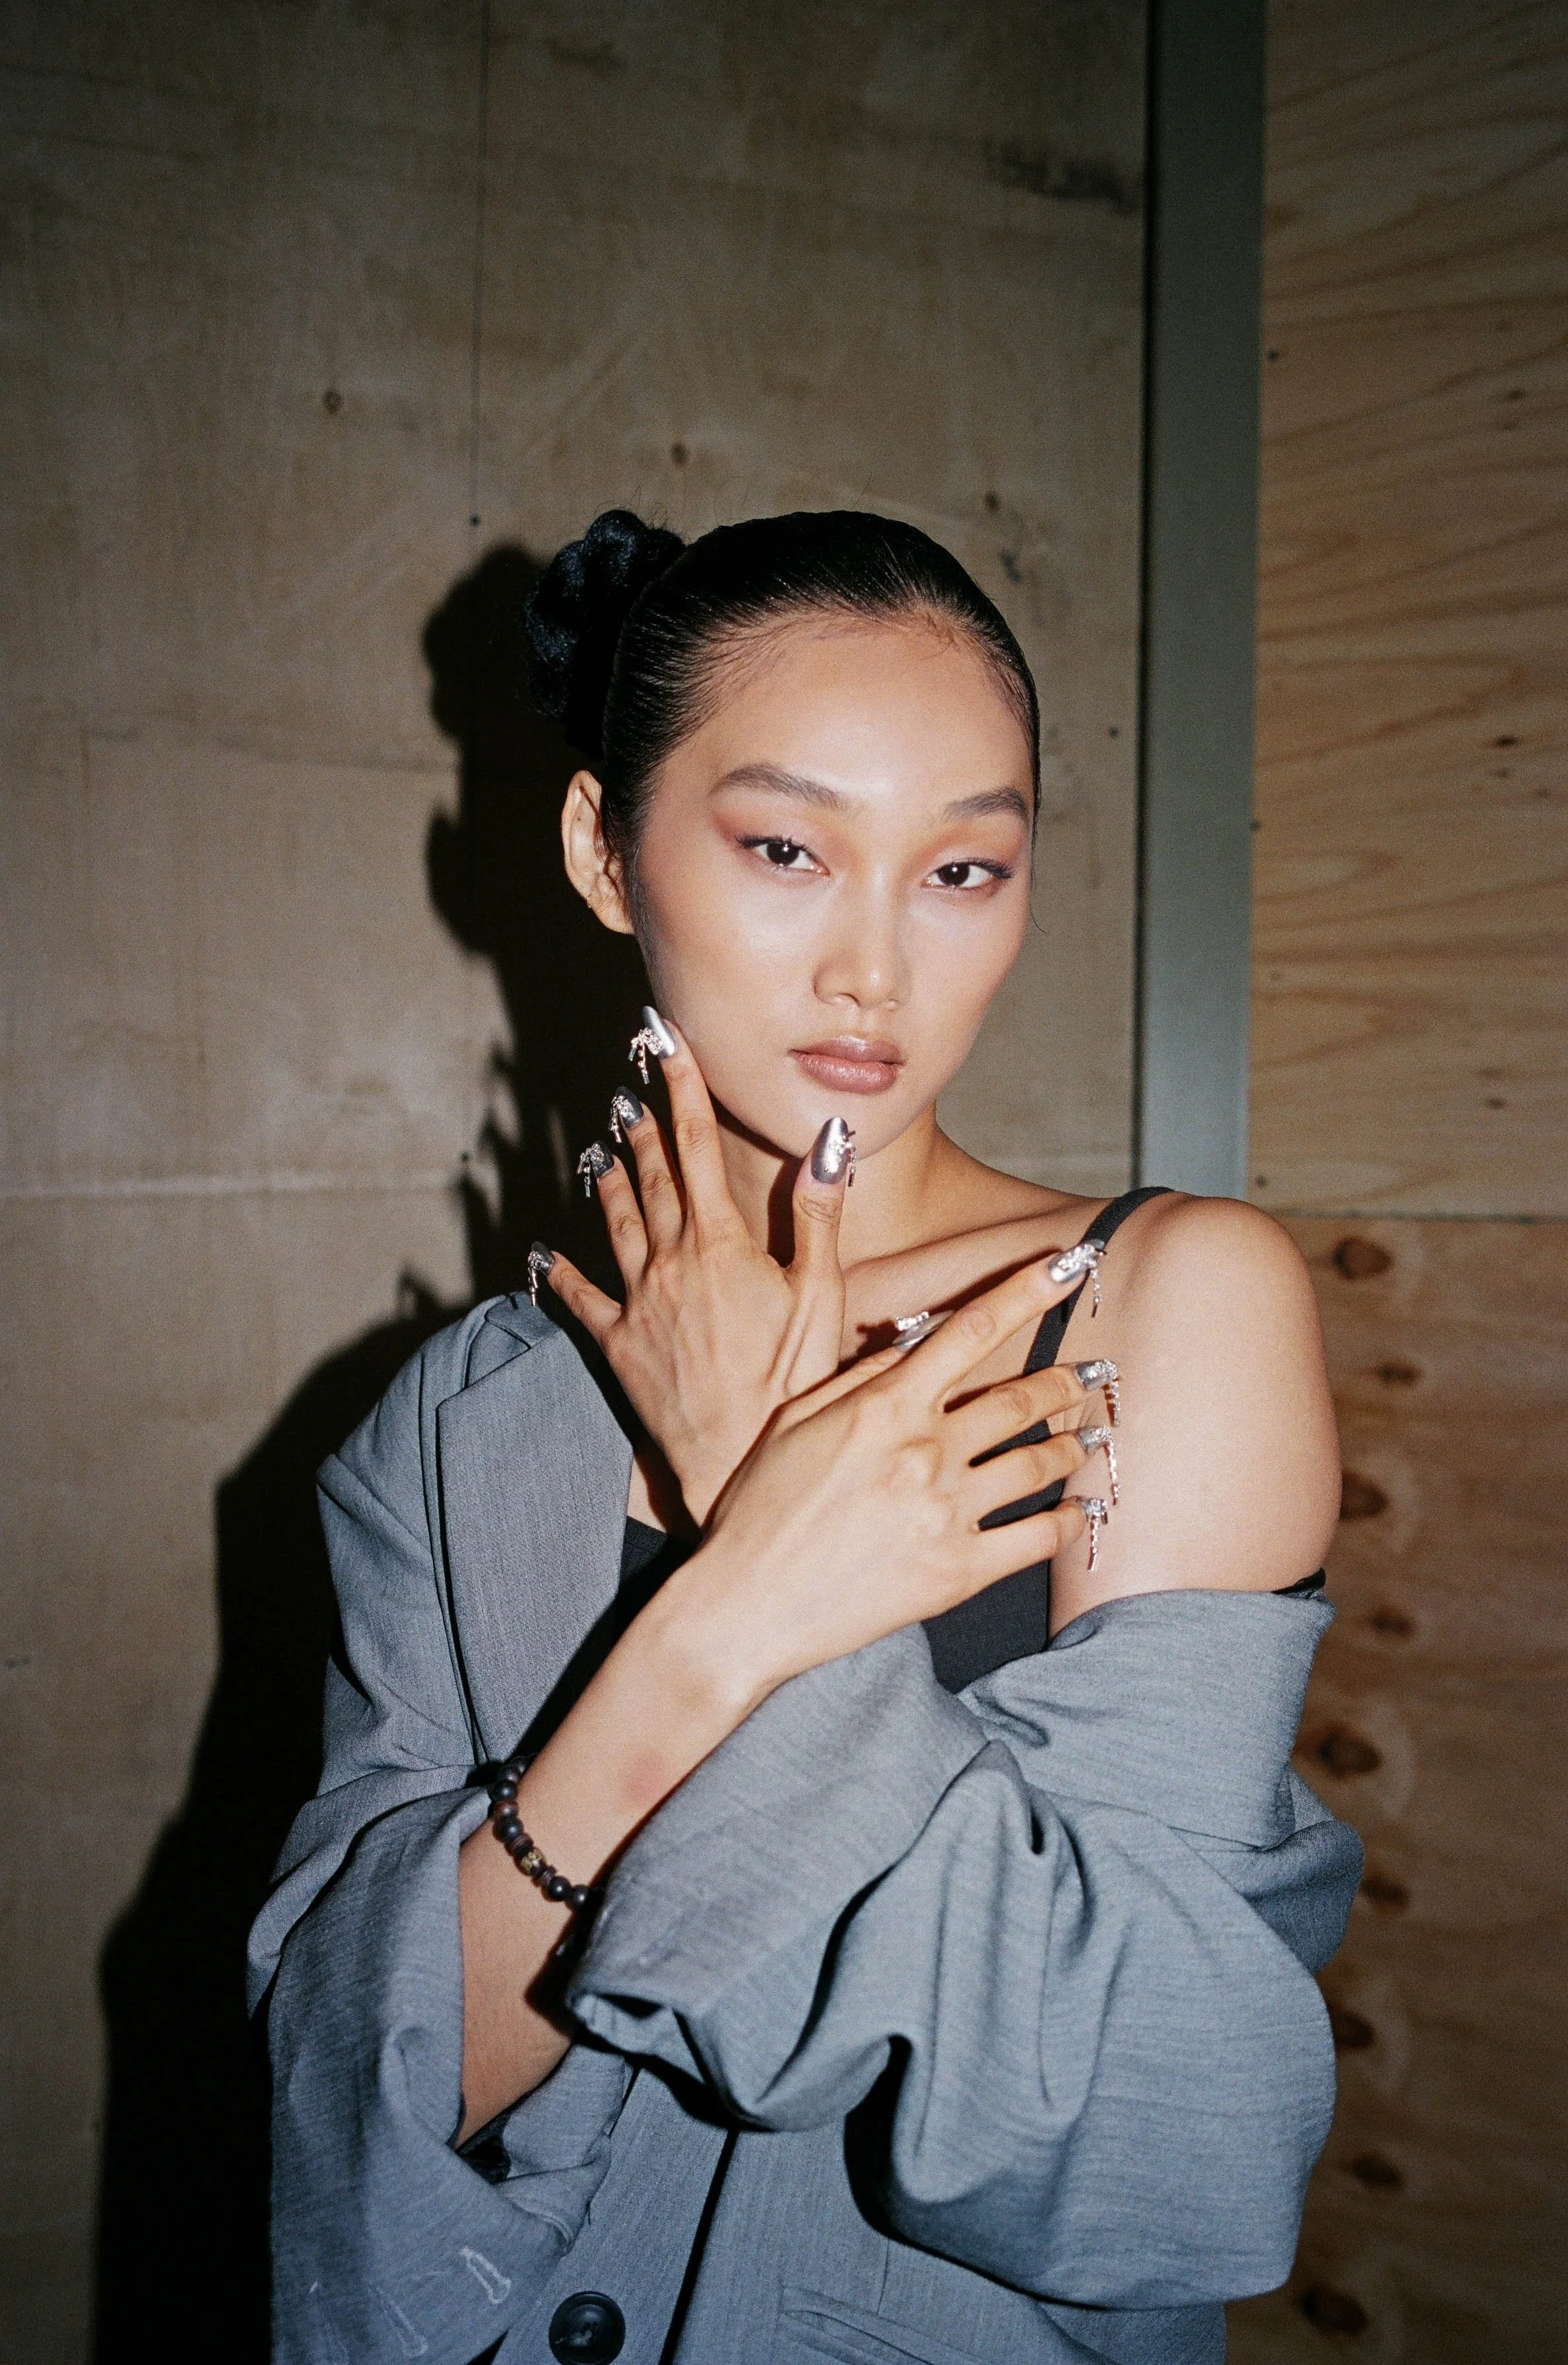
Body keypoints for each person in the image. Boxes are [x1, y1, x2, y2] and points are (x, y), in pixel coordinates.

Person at [249, 508, 1360, 2365]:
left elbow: (1172, 2145)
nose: (876, 969)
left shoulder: (1158, 1309)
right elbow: (356, 2101)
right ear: (607, 848)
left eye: (963, 870)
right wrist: (725, 1611)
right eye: (785, 848)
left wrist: (759, 1489)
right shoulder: (449, 1423)